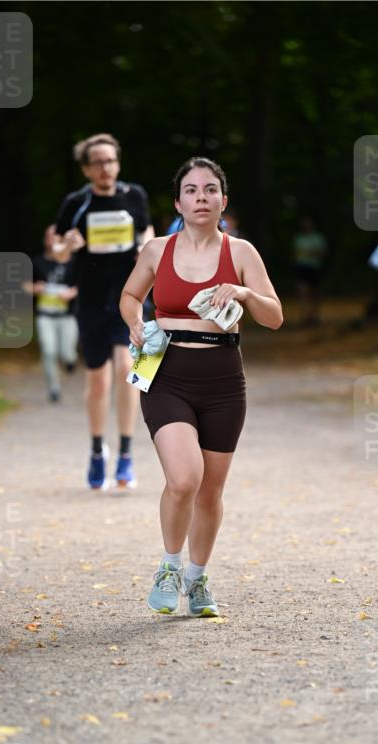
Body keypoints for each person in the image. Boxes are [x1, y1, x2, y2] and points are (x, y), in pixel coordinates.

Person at [120, 156, 283, 617]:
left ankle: (197, 578)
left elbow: (274, 316)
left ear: (223, 200)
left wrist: (245, 293)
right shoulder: (157, 250)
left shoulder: (242, 253)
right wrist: (135, 321)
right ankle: (169, 568)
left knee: (210, 493)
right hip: (166, 373)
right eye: (191, 191)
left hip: (224, 381)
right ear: (178, 203)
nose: (201, 198)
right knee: (184, 479)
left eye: (210, 189)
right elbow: (130, 295)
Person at [54, 133, 154, 489]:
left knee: (129, 369)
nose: (105, 168)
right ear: (86, 169)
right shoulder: (76, 203)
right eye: (97, 163)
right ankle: (97, 450)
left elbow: (147, 230)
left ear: (118, 163)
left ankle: (127, 453)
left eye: (110, 161)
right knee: (98, 380)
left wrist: (145, 247)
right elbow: (58, 251)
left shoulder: (134, 195)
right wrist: (68, 245)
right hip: (91, 301)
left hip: (131, 298)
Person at [23, 225, 78, 403]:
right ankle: (54, 388)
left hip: (67, 315)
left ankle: (70, 361)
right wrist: (35, 288)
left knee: (67, 353)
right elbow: (25, 286)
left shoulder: (74, 263)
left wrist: (72, 293)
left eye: (56, 236)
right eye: (49, 236)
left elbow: (84, 285)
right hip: (45, 315)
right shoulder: (37, 262)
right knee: (48, 351)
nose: (52, 239)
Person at [293, 216, 327, 326]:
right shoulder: (298, 238)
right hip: (302, 267)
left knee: (315, 293)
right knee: (303, 292)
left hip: (315, 267)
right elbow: (297, 253)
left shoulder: (318, 238)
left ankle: (315, 316)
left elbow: (322, 253)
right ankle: (304, 316)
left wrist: (310, 253)